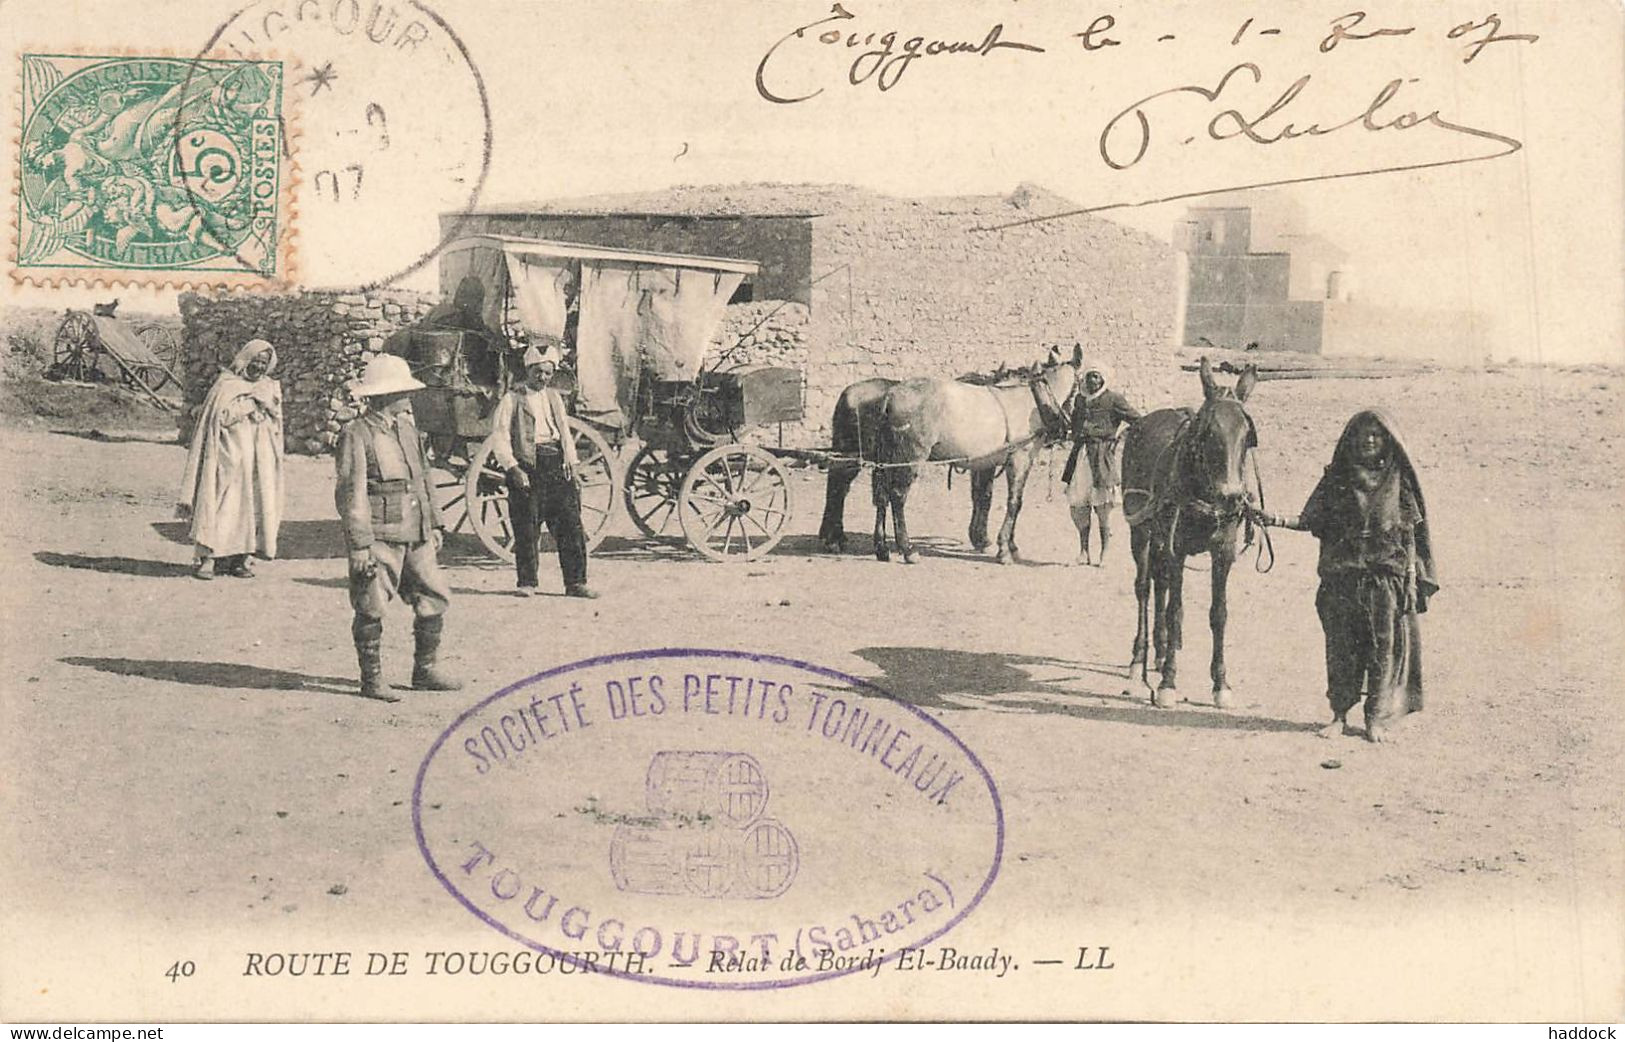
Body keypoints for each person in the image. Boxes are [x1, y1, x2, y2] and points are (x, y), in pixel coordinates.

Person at [1258, 411, 1439, 743]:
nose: (1370, 439)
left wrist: (1412, 578)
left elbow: (1410, 533)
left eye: (1377, 435)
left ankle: (1375, 719)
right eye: (1364, 434)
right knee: (1341, 648)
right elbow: (1310, 519)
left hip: (1385, 579)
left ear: (1387, 440)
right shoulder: (1336, 478)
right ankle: (1339, 715)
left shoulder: (1398, 479)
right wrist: (1274, 520)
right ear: (1351, 438)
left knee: (1382, 649)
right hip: (1340, 579)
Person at [334, 354, 463, 702]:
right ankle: (372, 680)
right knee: (371, 603)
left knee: (434, 596)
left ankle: (425, 670)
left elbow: (423, 479)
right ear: (386, 395)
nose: (409, 397)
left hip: (416, 531)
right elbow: (351, 492)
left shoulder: (407, 430)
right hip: (380, 535)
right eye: (403, 391)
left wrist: (434, 523)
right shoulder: (356, 434)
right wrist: (360, 544)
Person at [488, 342, 596, 599]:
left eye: (548, 373)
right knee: (526, 527)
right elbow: (500, 437)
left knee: (571, 525)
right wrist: (512, 467)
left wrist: (571, 462)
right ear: (528, 370)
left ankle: (575, 582)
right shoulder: (512, 399)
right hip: (527, 466)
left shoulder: (554, 397)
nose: (543, 377)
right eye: (538, 372)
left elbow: (565, 432)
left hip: (555, 464)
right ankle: (527, 582)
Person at [177, 338, 284, 579]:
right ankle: (209, 559)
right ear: (246, 359)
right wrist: (249, 403)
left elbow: (276, 419)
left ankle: (241, 559)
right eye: (255, 361)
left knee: (254, 506)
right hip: (229, 458)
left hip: (259, 459)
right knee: (222, 505)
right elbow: (220, 418)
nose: (259, 367)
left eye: (264, 363)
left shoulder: (269, 386)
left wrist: (267, 405)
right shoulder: (227, 385)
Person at [1061, 363, 1141, 566]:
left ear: (1103, 379)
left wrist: (1119, 437)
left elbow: (1137, 420)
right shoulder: (1080, 399)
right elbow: (1074, 425)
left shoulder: (1114, 399)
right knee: (1080, 505)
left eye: (1096, 377)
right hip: (1080, 457)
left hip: (1101, 457)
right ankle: (1084, 552)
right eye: (1089, 377)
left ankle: (1105, 553)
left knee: (1103, 507)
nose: (1092, 381)